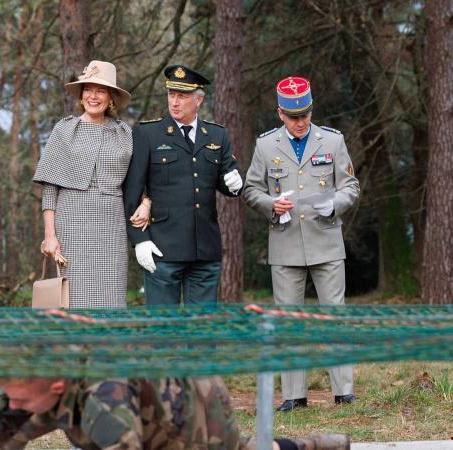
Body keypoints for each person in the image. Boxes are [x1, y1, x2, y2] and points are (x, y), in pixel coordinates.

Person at [243, 76, 360, 412]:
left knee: (334, 316)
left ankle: (344, 391)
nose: (300, 122)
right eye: (293, 116)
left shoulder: (332, 141)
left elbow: (350, 186)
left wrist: (335, 203)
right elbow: (252, 190)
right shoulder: (266, 146)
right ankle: (294, 395)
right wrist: (270, 205)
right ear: (280, 113)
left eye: (305, 115)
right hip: (286, 243)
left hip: (325, 239)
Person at [0, 376, 350, 450]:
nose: (13, 403)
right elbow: (2, 415)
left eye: (21, 398)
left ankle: (312, 445)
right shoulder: (34, 380)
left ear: (56, 388)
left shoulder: (104, 402)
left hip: (192, 407)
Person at [122, 65, 244, 305]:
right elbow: (132, 192)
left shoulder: (216, 135)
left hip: (204, 251)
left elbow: (225, 184)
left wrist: (235, 184)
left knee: (202, 330)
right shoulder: (149, 134)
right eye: (171, 95)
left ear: (198, 100)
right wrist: (139, 239)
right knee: (163, 330)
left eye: (183, 96)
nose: (175, 102)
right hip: (162, 248)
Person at [33, 60, 133, 308]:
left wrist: (146, 202)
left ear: (111, 97)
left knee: (110, 295)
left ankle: (106, 345)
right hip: (71, 225)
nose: (93, 96)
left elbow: (138, 180)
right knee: (72, 295)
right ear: (81, 94)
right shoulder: (65, 129)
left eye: (100, 90)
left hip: (112, 226)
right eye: (88, 89)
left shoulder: (124, 132)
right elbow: (49, 187)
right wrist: (50, 236)